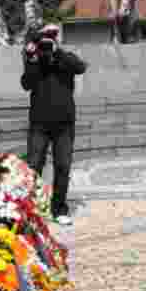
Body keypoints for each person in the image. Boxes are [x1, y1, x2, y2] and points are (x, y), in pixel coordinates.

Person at [20, 23, 86, 226]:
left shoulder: (66, 58)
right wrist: (31, 60)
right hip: (39, 123)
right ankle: (31, 210)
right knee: (33, 166)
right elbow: (26, 84)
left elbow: (80, 67)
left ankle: (59, 208)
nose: (48, 42)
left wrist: (57, 52)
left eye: (52, 37)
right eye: (46, 38)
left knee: (63, 166)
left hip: (64, 124)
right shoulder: (35, 60)